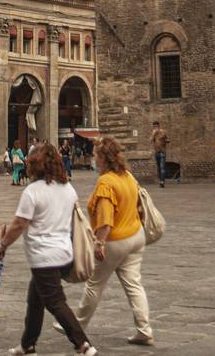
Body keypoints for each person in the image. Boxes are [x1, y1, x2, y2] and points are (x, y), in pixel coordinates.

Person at [0, 142, 97, 356]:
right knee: (35, 300)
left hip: (44, 256)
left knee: (55, 302)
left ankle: (83, 344)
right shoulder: (68, 189)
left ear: (33, 165)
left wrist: (2, 245)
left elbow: (20, 223)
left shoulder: (33, 192)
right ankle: (27, 345)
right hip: (64, 254)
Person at [64, 135, 153, 346]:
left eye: (95, 155)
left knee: (94, 284)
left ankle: (75, 326)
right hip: (136, 236)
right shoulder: (128, 176)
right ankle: (144, 329)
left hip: (115, 240)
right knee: (134, 285)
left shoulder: (106, 182)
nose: (93, 159)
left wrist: (99, 242)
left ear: (104, 158)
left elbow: (105, 219)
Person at [149, 121, 169, 188]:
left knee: (162, 167)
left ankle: (162, 182)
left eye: (156, 126)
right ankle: (161, 180)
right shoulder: (153, 133)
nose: (155, 127)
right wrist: (154, 134)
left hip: (162, 152)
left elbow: (167, 139)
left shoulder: (163, 132)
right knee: (159, 168)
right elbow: (150, 140)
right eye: (154, 126)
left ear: (158, 126)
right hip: (156, 153)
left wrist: (165, 141)